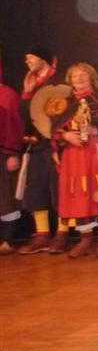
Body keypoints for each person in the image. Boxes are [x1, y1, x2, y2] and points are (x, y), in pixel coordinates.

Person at [50, 63, 98, 258]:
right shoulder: (63, 104)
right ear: (69, 80)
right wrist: (65, 136)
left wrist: (97, 130)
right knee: (79, 193)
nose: (79, 78)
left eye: (83, 74)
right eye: (74, 75)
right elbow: (54, 130)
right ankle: (85, 240)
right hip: (74, 155)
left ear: (91, 77)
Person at [15, 47, 60, 254]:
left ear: (43, 59)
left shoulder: (59, 79)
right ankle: (42, 234)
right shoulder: (32, 81)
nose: (27, 61)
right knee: (35, 189)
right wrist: (27, 92)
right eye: (26, 58)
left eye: (31, 57)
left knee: (59, 188)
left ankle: (62, 233)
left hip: (55, 142)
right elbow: (24, 115)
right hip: (35, 145)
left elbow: (61, 111)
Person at [0, 62, 24, 254]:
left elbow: (14, 125)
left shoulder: (7, 95)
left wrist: (12, 152)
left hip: (3, 153)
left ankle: (7, 240)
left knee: (6, 198)